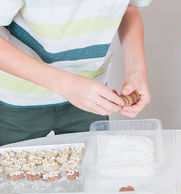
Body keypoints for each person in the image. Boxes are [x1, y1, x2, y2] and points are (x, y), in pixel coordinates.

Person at [0, 0, 151, 145]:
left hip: (92, 97)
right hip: (19, 100)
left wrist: (136, 70)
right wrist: (65, 84)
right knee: (14, 171)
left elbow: (128, 8)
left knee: (89, 168)